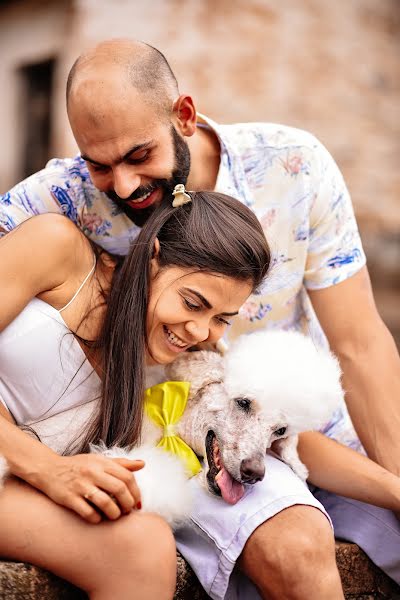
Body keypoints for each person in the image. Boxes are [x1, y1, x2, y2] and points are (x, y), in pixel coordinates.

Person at [0, 38, 399, 599]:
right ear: (151, 254)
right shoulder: (58, 209)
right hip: (81, 455)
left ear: (183, 115)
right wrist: (41, 465)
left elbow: (358, 345)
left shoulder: (292, 167)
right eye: (99, 163)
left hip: (267, 438)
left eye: (140, 156)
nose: (123, 186)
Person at [0, 188, 271, 599]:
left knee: (144, 544)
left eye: (222, 319)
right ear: (152, 257)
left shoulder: (189, 359)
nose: (200, 331)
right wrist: (49, 469)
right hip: (28, 469)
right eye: (193, 302)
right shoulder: (58, 252)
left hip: (13, 486)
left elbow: (272, 414)